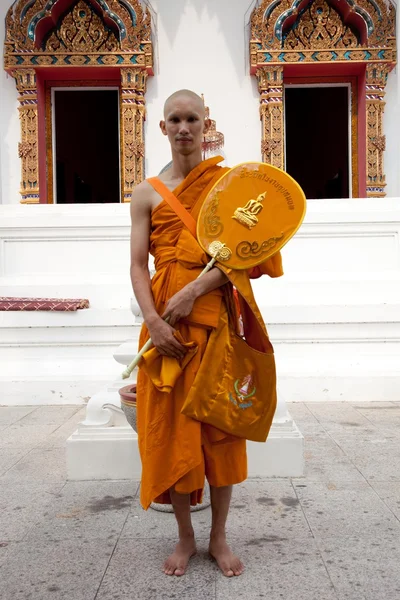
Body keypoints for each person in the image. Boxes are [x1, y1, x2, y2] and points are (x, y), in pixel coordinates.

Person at [129, 90, 282, 577]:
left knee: (218, 432)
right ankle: (184, 537)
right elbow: (136, 264)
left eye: (192, 118)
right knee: (172, 432)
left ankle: (218, 537)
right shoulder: (146, 192)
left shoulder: (227, 185)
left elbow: (246, 250)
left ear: (205, 123)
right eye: (174, 118)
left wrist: (194, 290)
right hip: (164, 330)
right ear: (163, 127)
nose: (183, 127)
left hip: (212, 323)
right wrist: (153, 320)